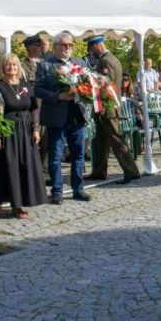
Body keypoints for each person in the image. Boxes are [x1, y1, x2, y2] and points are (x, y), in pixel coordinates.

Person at [0, 54, 47, 219]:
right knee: (3, 167)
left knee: (22, 166)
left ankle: (18, 204)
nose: (11, 67)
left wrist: (35, 129)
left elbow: (34, 108)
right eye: (7, 65)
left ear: (18, 67)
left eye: (14, 64)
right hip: (6, 130)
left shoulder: (26, 85)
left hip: (25, 130)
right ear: (3, 68)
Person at [35, 32, 91, 204]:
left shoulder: (80, 63)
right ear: (55, 47)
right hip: (56, 116)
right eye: (64, 45)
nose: (68, 47)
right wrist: (59, 96)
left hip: (77, 115)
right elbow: (38, 90)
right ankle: (57, 190)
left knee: (78, 155)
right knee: (56, 156)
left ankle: (78, 188)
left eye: (70, 45)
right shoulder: (45, 65)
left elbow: (89, 84)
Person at [84, 37, 141, 185]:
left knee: (116, 140)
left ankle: (131, 171)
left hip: (107, 108)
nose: (90, 53)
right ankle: (99, 171)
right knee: (99, 142)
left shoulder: (106, 61)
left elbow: (104, 84)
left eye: (91, 49)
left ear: (96, 46)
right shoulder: (112, 58)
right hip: (106, 108)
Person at [20, 35, 49, 176]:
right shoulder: (22, 67)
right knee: (33, 143)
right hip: (33, 109)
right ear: (30, 48)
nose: (41, 48)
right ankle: (31, 173)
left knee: (46, 143)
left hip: (48, 108)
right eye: (38, 46)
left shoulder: (46, 64)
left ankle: (44, 173)